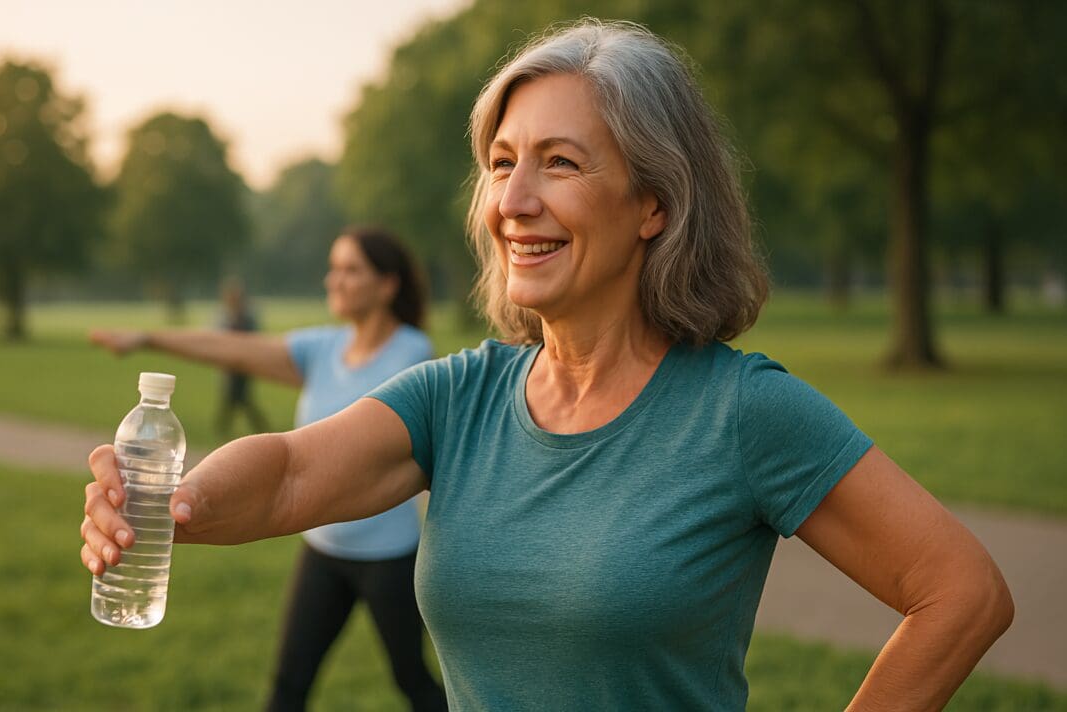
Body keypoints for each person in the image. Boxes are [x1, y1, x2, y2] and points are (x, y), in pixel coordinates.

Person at [81, 20, 1013, 711]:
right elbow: (288, 475)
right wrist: (172, 506)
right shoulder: (461, 396)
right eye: (500, 162)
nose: (513, 201)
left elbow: (962, 593)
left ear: (653, 202)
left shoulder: (742, 412)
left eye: (559, 163)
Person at [88, 227, 447, 712]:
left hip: (388, 558)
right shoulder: (322, 349)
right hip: (322, 550)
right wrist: (149, 337)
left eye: (350, 270)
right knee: (287, 687)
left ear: (388, 285)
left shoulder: (412, 353)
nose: (333, 280)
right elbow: (233, 349)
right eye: (332, 267)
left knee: (414, 683)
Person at [215, 276, 270, 438]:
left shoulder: (247, 317)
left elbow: (255, 338)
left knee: (242, 400)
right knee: (233, 400)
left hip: (244, 365)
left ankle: (223, 428)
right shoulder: (224, 317)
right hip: (230, 367)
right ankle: (223, 429)